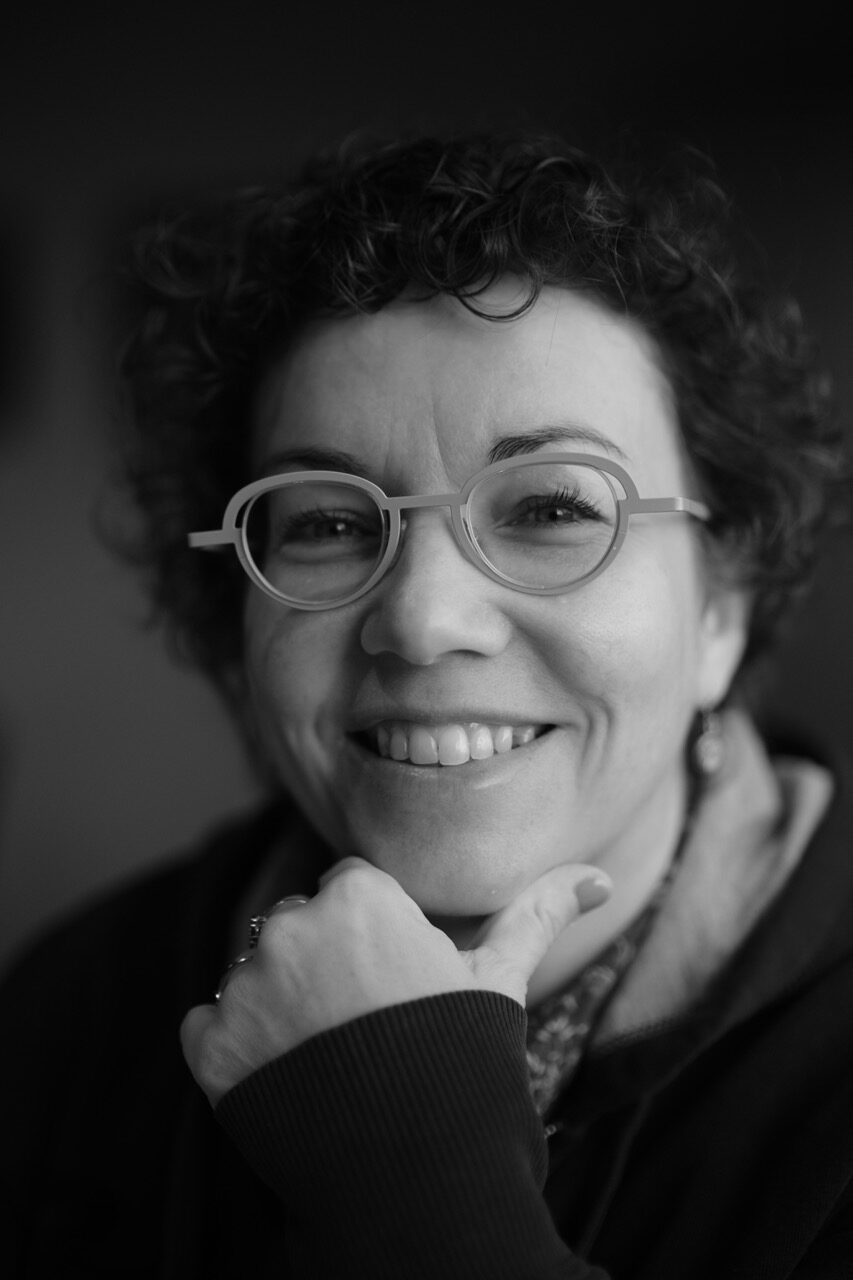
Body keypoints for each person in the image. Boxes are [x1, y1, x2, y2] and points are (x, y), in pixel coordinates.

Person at [1, 130, 851, 1279]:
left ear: (722, 608)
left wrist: (413, 1180)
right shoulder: (71, 1016)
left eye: (550, 509)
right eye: (328, 522)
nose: (422, 618)